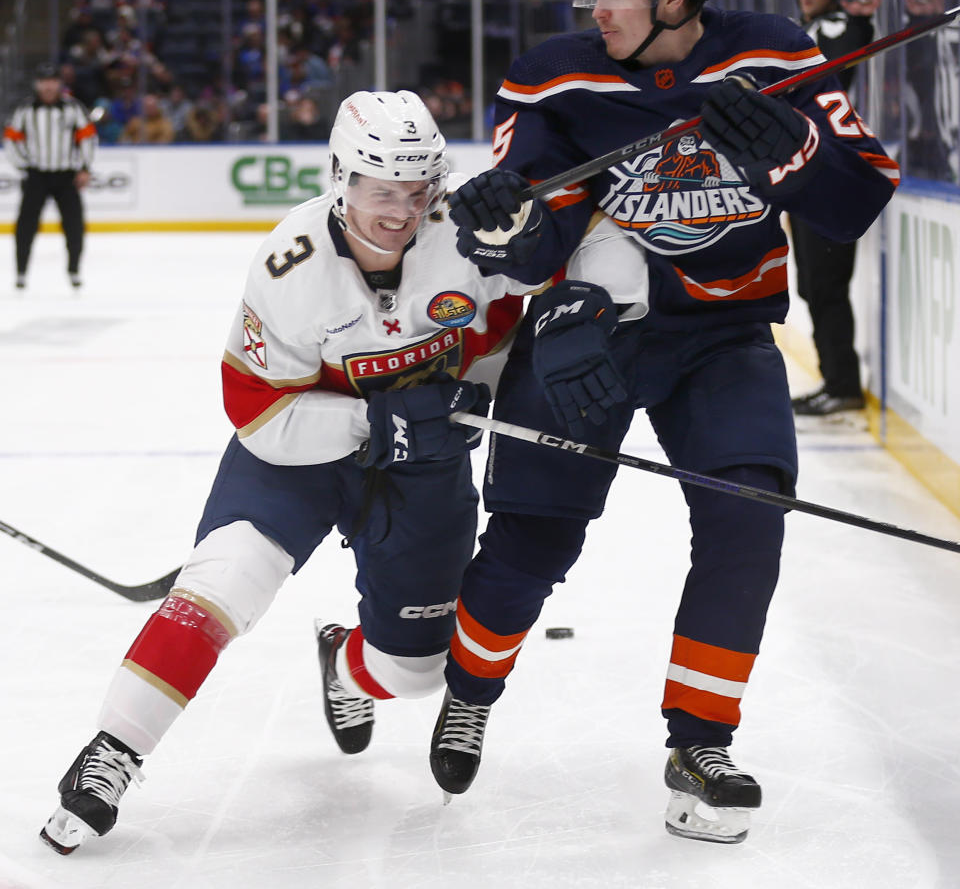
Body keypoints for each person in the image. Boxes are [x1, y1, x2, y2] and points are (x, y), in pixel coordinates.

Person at [39, 89, 647, 855]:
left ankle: (345, 664)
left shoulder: (467, 232)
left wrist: (585, 303)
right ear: (340, 178)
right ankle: (112, 752)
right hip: (300, 460)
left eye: (417, 190)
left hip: (426, 469)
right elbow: (257, 409)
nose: (400, 211)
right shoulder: (289, 263)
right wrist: (380, 420)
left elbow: (601, 231)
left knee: (416, 671)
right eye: (380, 189)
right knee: (218, 588)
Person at [429, 0, 899, 844]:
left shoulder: (772, 52)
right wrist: (504, 223)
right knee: (535, 540)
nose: (594, 7)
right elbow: (537, 242)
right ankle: (470, 689)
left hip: (723, 337)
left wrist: (790, 148)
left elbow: (858, 200)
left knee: (748, 513)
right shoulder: (551, 76)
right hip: (593, 335)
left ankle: (701, 740)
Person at [789, 0, 880, 416]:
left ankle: (843, 384)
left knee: (825, 284)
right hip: (808, 172)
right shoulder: (807, 29)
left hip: (831, 171)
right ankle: (835, 380)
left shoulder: (835, 26)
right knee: (812, 284)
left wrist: (859, 20)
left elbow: (839, 62)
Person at [3, 62, 97, 289]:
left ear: (59, 83)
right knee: (26, 225)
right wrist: (24, 166)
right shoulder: (24, 110)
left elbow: (87, 138)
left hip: (66, 176)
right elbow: (11, 140)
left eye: (52, 81)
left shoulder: (73, 108)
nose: (48, 86)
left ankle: (74, 270)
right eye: (44, 81)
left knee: (74, 225)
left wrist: (84, 167)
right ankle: (21, 272)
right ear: (37, 84)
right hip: (36, 175)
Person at [903, 0, 959, 182]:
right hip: (926, 149)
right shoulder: (908, 32)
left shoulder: (953, 28)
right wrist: (920, 22)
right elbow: (919, 70)